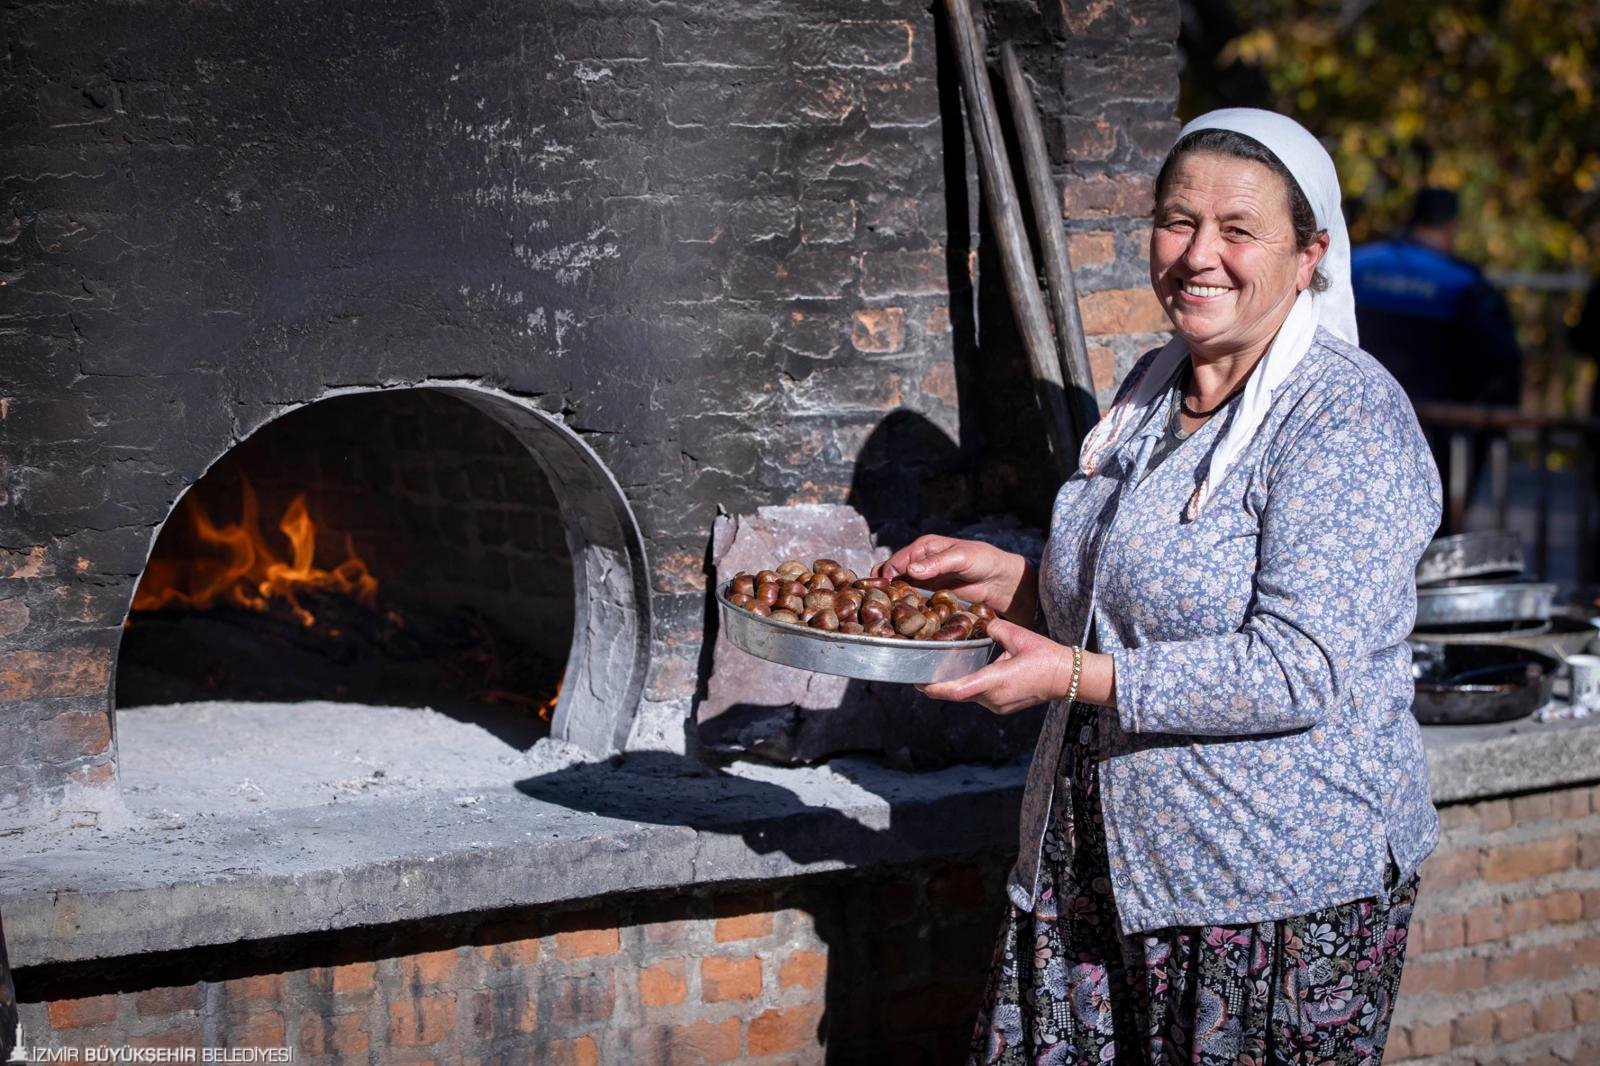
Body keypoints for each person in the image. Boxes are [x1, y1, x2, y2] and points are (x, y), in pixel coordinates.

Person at [881, 109, 1441, 1064]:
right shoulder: (1153, 386)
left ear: (1308, 257)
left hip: (1263, 888)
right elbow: (1130, 607)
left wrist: (1073, 677)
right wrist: (1012, 583)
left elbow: (1298, 669)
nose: (1197, 255)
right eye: (1178, 221)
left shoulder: (1345, 418)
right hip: (1093, 861)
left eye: (1238, 229)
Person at [1351, 187, 1523, 409]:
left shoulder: (1356, 265)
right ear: (1452, 226)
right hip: (1434, 418)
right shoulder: (1464, 284)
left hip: (1359, 406)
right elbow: (1499, 362)